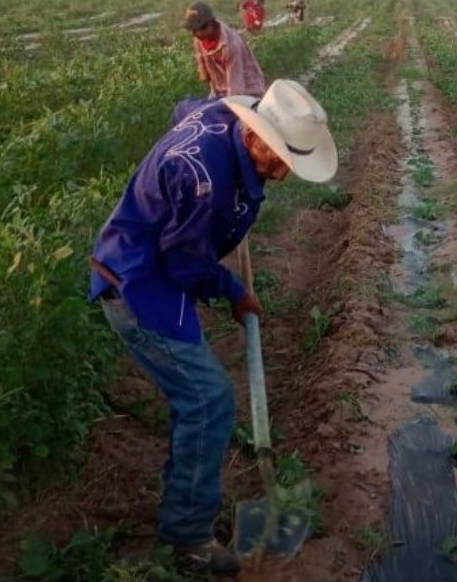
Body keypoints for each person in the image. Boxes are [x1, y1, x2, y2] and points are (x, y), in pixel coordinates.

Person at [88, 80, 338, 577]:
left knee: (197, 393)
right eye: (281, 158)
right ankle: (187, 537)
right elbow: (184, 265)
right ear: (253, 137)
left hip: (157, 269)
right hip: (137, 283)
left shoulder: (220, 121)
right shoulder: (206, 185)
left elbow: (186, 106)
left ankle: (188, 488)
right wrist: (233, 291)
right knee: (209, 399)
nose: (285, 173)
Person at [185, 2, 266, 98]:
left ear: (210, 24)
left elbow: (236, 90)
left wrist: (226, 105)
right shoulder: (200, 37)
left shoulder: (231, 46)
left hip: (247, 90)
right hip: (220, 89)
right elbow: (201, 58)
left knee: (227, 111)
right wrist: (204, 72)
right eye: (193, 30)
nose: (194, 35)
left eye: (197, 30)